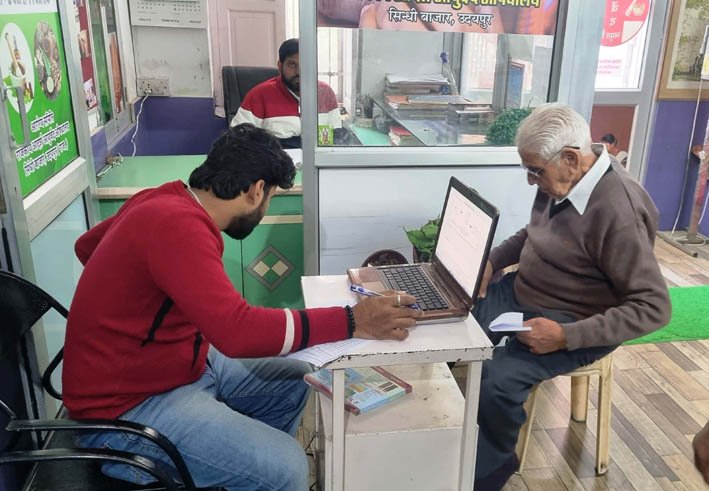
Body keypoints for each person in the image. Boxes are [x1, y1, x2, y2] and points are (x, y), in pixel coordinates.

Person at [62, 123, 422, 490]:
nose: (265, 208)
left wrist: (147, 315)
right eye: (270, 198)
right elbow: (238, 333)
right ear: (256, 191)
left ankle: (240, 472)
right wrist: (351, 320)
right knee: (287, 468)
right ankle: (258, 472)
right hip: (125, 412)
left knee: (296, 380)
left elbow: (86, 247)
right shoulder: (178, 226)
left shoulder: (163, 198)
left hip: (176, 366)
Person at [471, 103, 671, 490]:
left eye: (535, 171)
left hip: (576, 319)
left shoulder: (619, 210)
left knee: (497, 380)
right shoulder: (563, 179)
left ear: (570, 159)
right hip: (523, 293)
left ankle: (490, 468)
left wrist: (566, 336)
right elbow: (533, 233)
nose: (531, 180)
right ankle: (455, 435)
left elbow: (654, 307)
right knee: (453, 325)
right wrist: (492, 262)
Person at [231, 38, 341, 149]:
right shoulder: (258, 95)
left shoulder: (325, 93)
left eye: (306, 64)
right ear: (280, 66)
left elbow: (334, 141)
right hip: (275, 159)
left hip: (317, 159)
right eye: (292, 65)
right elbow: (236, 141)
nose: (299, 72)